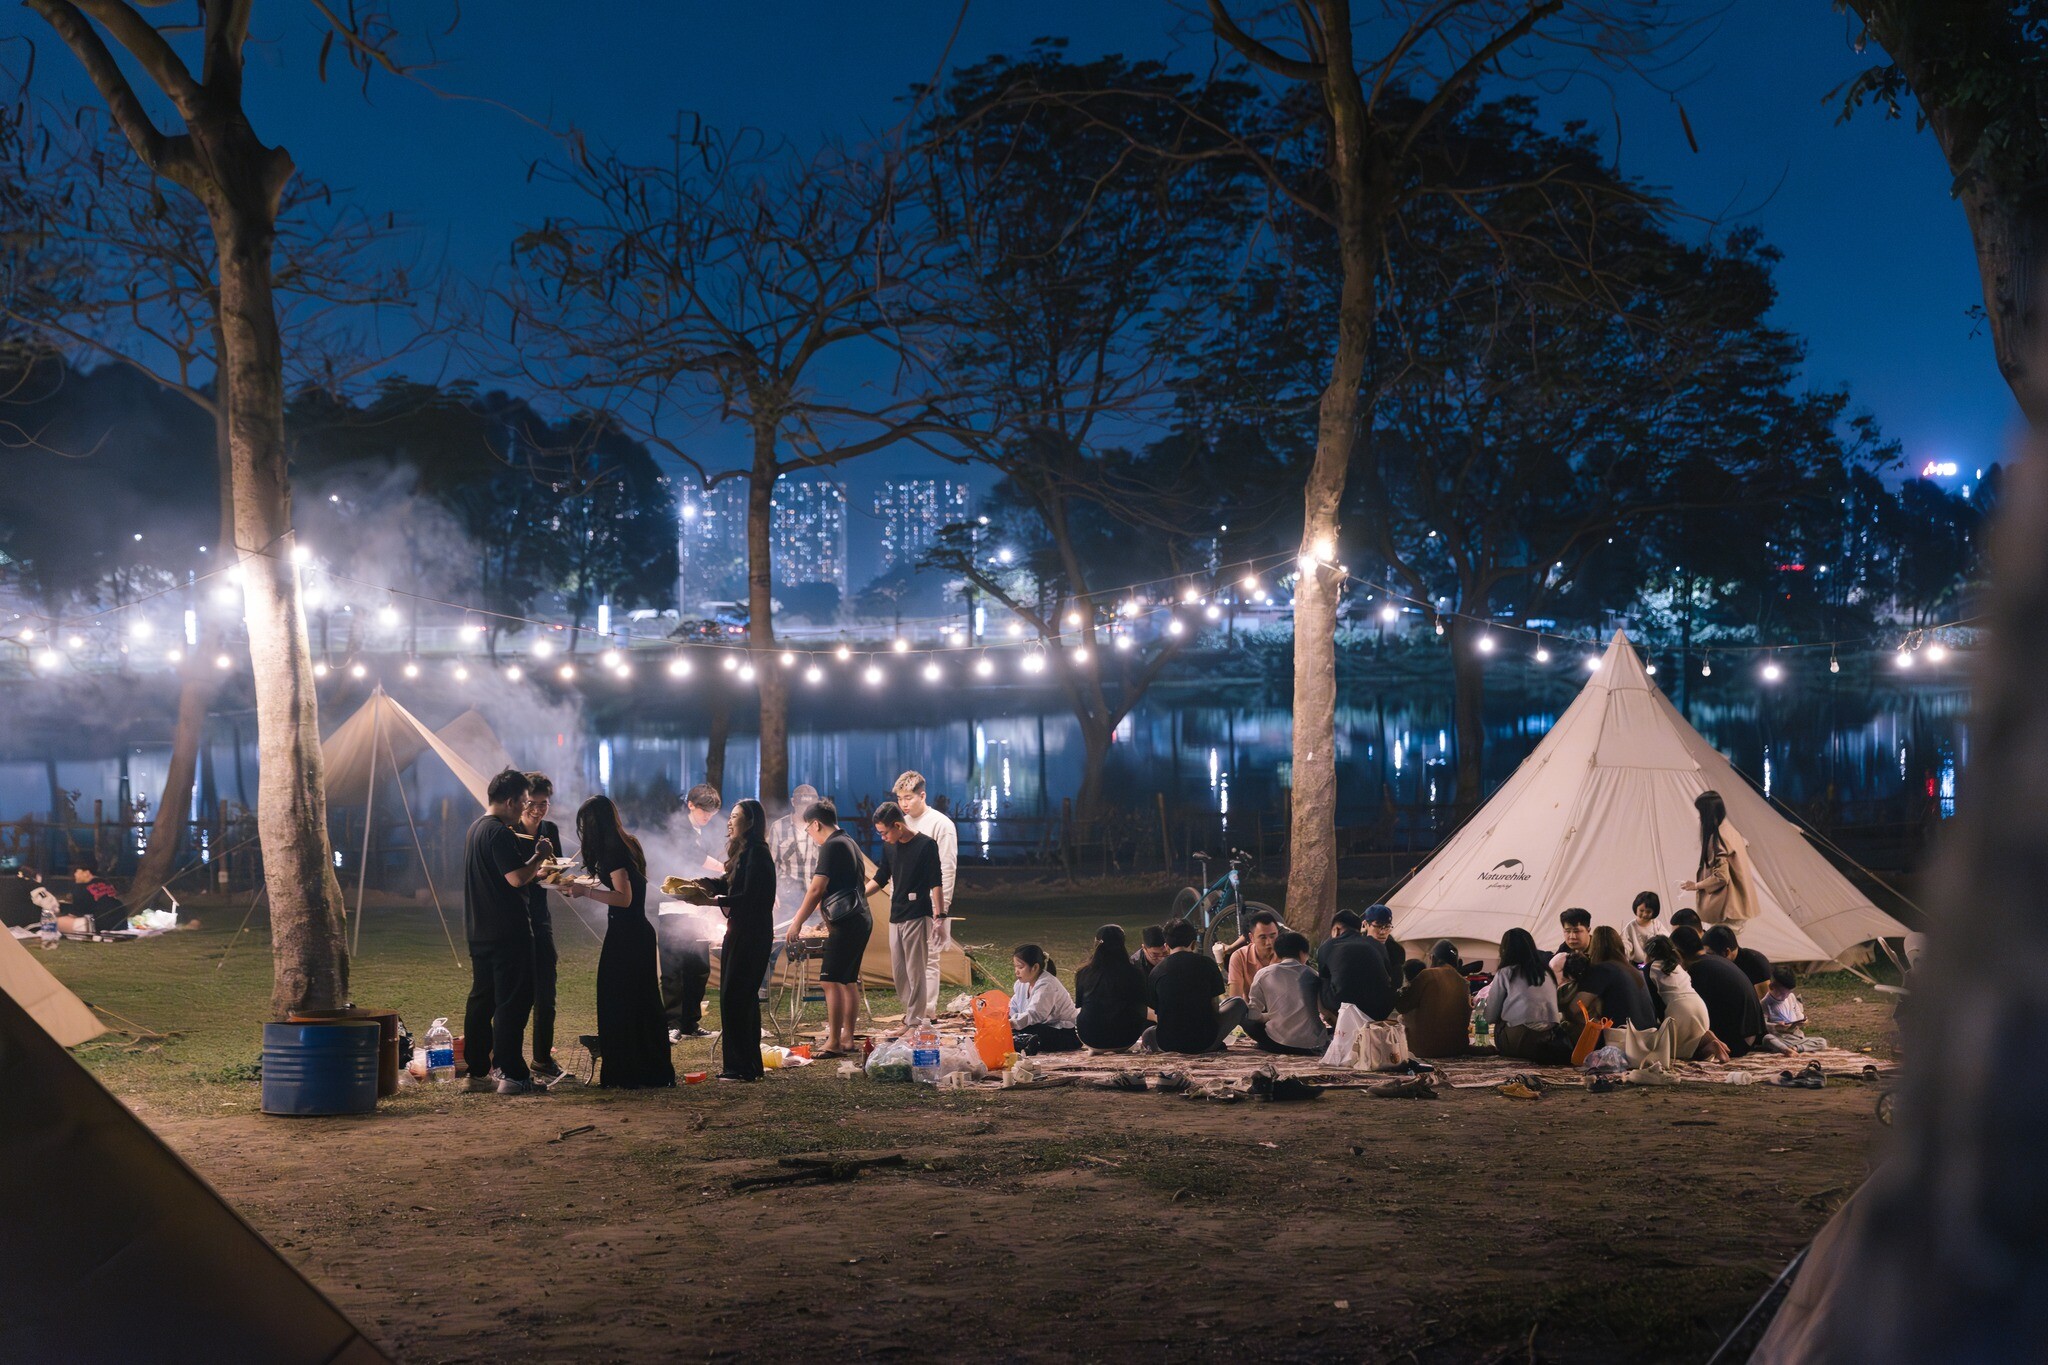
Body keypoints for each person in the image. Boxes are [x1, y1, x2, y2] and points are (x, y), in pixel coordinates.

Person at [558, 795, 674, 1090]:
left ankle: (629, 1070)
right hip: (635, 932)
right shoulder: (628, 843)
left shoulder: (614, 852)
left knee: (620, 1001)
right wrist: (580, 886)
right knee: (640, 1000)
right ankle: (649, 1067)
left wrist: (585, 893)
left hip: (628, 935)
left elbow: (624, 898)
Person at [463, 769, 554, 1094]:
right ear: (512, 801)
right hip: (508, 931)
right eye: (524, 802)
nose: (525, 809)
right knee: (513, 1002)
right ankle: (512, 1074)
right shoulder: (499, 833)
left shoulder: (475, 828)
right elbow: (516, 878)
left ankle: (477, 1073)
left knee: (482, 1000)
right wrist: (540, 856)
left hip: (479, 929)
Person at [785, 799, 871, 1057]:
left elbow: (816, 889)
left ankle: (833, 1042)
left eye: (808, 829)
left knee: (830, 981)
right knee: (847, 981)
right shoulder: (849, 841)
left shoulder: (832, 846)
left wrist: (797, 922)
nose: (809, 835)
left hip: (846, 923)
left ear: (816, 824)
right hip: (859, 918)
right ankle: (847, 1039)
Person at [701, 798, 777, 1081]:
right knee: (737, 997)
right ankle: (746, 1066)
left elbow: (750, 898)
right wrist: (700, 885)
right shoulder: (743, 852)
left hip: (752, 933)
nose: (730, 821)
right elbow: (728, 882)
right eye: (730, 816)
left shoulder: (758, 853)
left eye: (736, 816)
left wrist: (711, 901)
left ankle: (741, 1068)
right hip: (739, 930)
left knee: (737, 996)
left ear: (751, 821)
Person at [867, 800, 946, 1029]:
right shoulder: (889, 847)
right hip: (896, 914)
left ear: (898, 825)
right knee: (900, 972)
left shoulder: (926, 845)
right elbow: (882, 876)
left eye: (884, 832)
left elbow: (936, 882)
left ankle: (915, 1021)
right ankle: (911, 1014)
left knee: (915, 970)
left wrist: (940, 916)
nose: (883, 837)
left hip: (917, 914)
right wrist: (860, 894)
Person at [657, 784, 724, 1042]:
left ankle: (690, 1022)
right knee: (673, 968)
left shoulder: (701, 832)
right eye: (703, 811)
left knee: (699, 968)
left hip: (696, 910)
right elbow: (694, 856)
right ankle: (672, 1023)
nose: (707, 817)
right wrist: (725, 868)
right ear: (691, 805)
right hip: (673, 907)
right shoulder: (677, 828)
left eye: (711, 813)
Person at [892, 771, 958, 1013]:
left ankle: (927, 1012)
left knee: (929, 958)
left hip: (930, 904)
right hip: (903, 904)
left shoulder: (941, 824)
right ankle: (912, 1011)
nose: (904, 804)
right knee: (906, 960)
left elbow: (947, 868)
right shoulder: (901, 823)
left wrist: (942, 910)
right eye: (900, 798)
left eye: (908, 798)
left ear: (922, 795)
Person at [1141, 919, 1245, 1054]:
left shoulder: (1156, 972)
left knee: (1148, 1033)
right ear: (1194, 943)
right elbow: (1214, 1007)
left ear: (1166, 946)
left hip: (1168, 1043)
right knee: (1238, 1004)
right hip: (1204, 1042)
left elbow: (1157, 1011)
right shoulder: (1207, 964)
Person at [520, 773, 565, 1082]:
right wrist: (536, 868)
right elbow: (511, 878)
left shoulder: (550, 830)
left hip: (540, 916)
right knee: (516, 992)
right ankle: (505, 1059)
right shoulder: (509, 832)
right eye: (532, 804)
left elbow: (555, 869)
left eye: (543, 804)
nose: (537, 810)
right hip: (515, 917)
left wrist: (562, 879)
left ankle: (542, 1058)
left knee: (546, 990)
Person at [1675, 924, 1765, 1057]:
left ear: (1678, 954)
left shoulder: (1698, 969)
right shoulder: (1717, 961)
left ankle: (1713, 1047)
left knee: (1682, 1044)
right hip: (1751, 1036)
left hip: (1736, 1043)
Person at [1483, 928, 1568, 1063]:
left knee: (1500, 1016)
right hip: (1549, 1039)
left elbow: (1490, 1016)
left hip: (1518, 1043)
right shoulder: (1547, 973)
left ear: (1504, 950)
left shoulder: (1506, 973)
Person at [1242, 931, 1330, 1055]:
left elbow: (1253, 1015)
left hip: (1277, 1044)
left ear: (1277, 953)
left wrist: (1269, 1016)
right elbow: (1323, 1011)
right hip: (1313, 1043)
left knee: (1244, 1013)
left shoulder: (1264, 973)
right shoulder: (1313, 974)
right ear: (1302, 953)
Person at [1681, 790, 1757, 926]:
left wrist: (1696, 885)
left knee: (1718, 939)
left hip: (1726, 908)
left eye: (1702, 813)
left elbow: (1721, 877)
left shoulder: (1718, 838)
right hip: (1739, 904)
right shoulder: (1731, 831)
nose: (1699, 818)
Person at [1644, 933, 1722, 1062]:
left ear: (1649, 953)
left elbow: (1655, 1001)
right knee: (1691, 1044)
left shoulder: (1650, 968)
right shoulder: (1678, 966)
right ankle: (1708, 1039)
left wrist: (1660, 1024)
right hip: (1699, 1005)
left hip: (1679, 1008)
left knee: (1675, 1052)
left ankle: (1711, 1046)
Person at [1076, 925, 1151, 1051]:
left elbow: (1079, 1004)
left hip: (1090, 1038)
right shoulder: (1135, 973)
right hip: (1126, 1038)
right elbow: (1142, 1005)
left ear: (1096, 943)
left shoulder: (1084, 972)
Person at [1394, 940, 1474, 1058]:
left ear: (1433, 958)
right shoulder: (1464, 982)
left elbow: (1403, 1006)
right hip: (1457, 1048)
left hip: (1426, 1050)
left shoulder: (1427, 975)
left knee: (1400, 1019)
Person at [1318, 908, 1398, 1022]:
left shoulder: (1327, 946)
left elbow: (1324, 977)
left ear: (1336, 930)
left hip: (1343, 1008)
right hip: (1381, 1010)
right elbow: (1388, 976)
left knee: (1319, 979)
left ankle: (1330, 1018)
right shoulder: (1377, 945)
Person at [1576, 926, 1658, 1030]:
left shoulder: (1604, 970)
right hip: (1647, 1035)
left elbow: (1576, 1008)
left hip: (1621, 1035)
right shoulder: (1634, 971)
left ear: (1594, 947)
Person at [1009, 945, 1081, 1053]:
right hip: (1045, 1027)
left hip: (1066, 1033)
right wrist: (1005, 1018)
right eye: (1015, 967)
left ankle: (1025, 1043)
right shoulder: (1021, 984)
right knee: (1017, 1029)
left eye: (1020, 967)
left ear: (1035, 967)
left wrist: (1011, 1023)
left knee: (1025, 1028)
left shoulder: (1047, 984)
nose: (1016, 971)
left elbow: (1036, 1014)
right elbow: (1014, 1005)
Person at [769, 783, 821, 918]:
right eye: (802, 805)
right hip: (787, 899)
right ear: (793, 802)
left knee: (814, 930)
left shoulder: (821, 826)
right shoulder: (778, 827)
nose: (807, 810)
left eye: (810, 806)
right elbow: (770, 864)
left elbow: (831, 865)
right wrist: (771, 892)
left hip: (816, 897)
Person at [1759, 966, 1827, 1053]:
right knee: (1767, 1039)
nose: (1785, 996)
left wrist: (1803, 1021)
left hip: (1796, 1037)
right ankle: (1786, 1050)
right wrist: (1776, 1026)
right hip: (1781, 1038)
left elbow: (1798, 1015)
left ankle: (1796, 1048)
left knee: (1822, 1041)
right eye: (1781, 993)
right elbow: (1763, 1025)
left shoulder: (1791, 997)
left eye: (1788, 993)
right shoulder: (1765, 1003)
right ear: (1772, 987)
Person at [1226, 910, 1282, 1001]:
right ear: (1251, 938)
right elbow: (1235, 1000)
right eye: (1263, 937)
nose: (1269, 942)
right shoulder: (1240, 957)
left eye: (1273, 936)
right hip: (1252, 1008)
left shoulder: (1287, 955)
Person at [57, 860, 125, 933]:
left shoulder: (81, 887)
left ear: (87, 873)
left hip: (99, 924)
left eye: (77, 871)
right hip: (121, 922)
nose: (75, 875)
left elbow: (74, 915)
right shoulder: (106, 883)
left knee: (56, 923)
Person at [1549, 907, 1594, 996]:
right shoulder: (1564, 949)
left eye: (1577, 931)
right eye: (1567, 931)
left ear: (1588, 930)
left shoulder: (1598, 950)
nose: (1572, 936)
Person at [1363, 904, 1406, 987]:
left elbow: (1397, 982)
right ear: (1365, 924)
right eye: (1378, 926)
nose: (1382, 932)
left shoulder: (1396, 949)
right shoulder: (1356, 947)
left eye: (1387, 926)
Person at [1623, 891, 1662, 967]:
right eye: (1641, 911)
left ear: (1654, 912)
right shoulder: (1630, 927)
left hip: (1655, 963)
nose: (1644, 914)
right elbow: (1625, 945)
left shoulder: (1656, 924)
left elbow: (1665, 939)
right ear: (1636, 908)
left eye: (1648, 912)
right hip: (1637, 964)